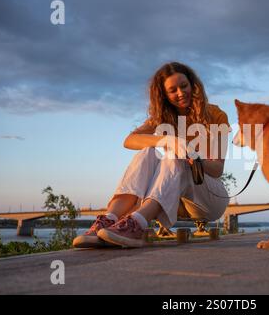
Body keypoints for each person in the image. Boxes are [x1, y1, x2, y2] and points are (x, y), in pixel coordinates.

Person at [73, 62, 230, 248]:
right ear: (164, 94)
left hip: (209, 198)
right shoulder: (162, 117)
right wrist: (166, 141)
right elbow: (129, 140)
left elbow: (218, 169)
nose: (180, 93)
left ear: (193, 85)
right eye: (173, 90)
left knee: (174, 157)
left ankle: (138, 224)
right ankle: (109, 219)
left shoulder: (215, 115)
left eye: (184, 86)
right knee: (148, 151)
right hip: (174, 197)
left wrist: (192, 156)